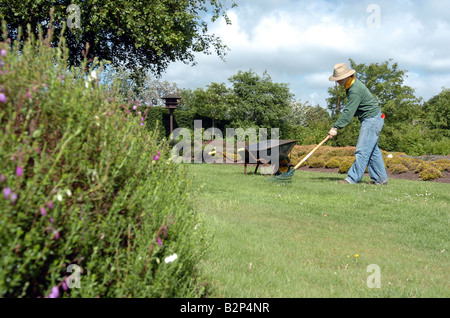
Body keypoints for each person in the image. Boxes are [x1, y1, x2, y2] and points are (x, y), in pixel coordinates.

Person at [328, 63, 388, 185]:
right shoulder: (351, 85)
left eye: (339, 79)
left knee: (362, 150)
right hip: (374, 118)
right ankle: (381, 180)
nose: (337, 81)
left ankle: (352, 179)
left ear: (346, 76)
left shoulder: (355, 90)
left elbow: (349, 112)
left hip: (372, 120)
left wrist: (335, 127)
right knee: (372, 151)